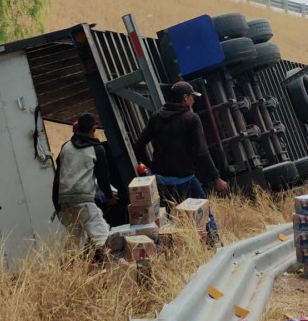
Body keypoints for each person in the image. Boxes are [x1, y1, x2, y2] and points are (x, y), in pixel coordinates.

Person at [134, 81, 230, 244]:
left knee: (164, 219)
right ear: (185, 98)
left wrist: (151, 166)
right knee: (203, 214)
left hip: (161, 181)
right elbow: (202, 152)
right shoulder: (191, 118)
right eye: (192, 97)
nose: (193, 101)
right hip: (185, 179)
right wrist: (216, 178)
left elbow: (139, 146)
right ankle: (213, 245)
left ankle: (168, 252)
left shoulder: (156, 117)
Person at [52, 112, 117, 258]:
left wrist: (56, 202)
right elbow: (103, 178)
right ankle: (115, 271)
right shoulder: (97, 149)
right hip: (83, 200)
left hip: (64, 201)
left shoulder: (65, 147)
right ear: (94, 128)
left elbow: (57, 177)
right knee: (103, 236)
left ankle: (70, 271)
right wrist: (110, 196)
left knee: (76, 241)